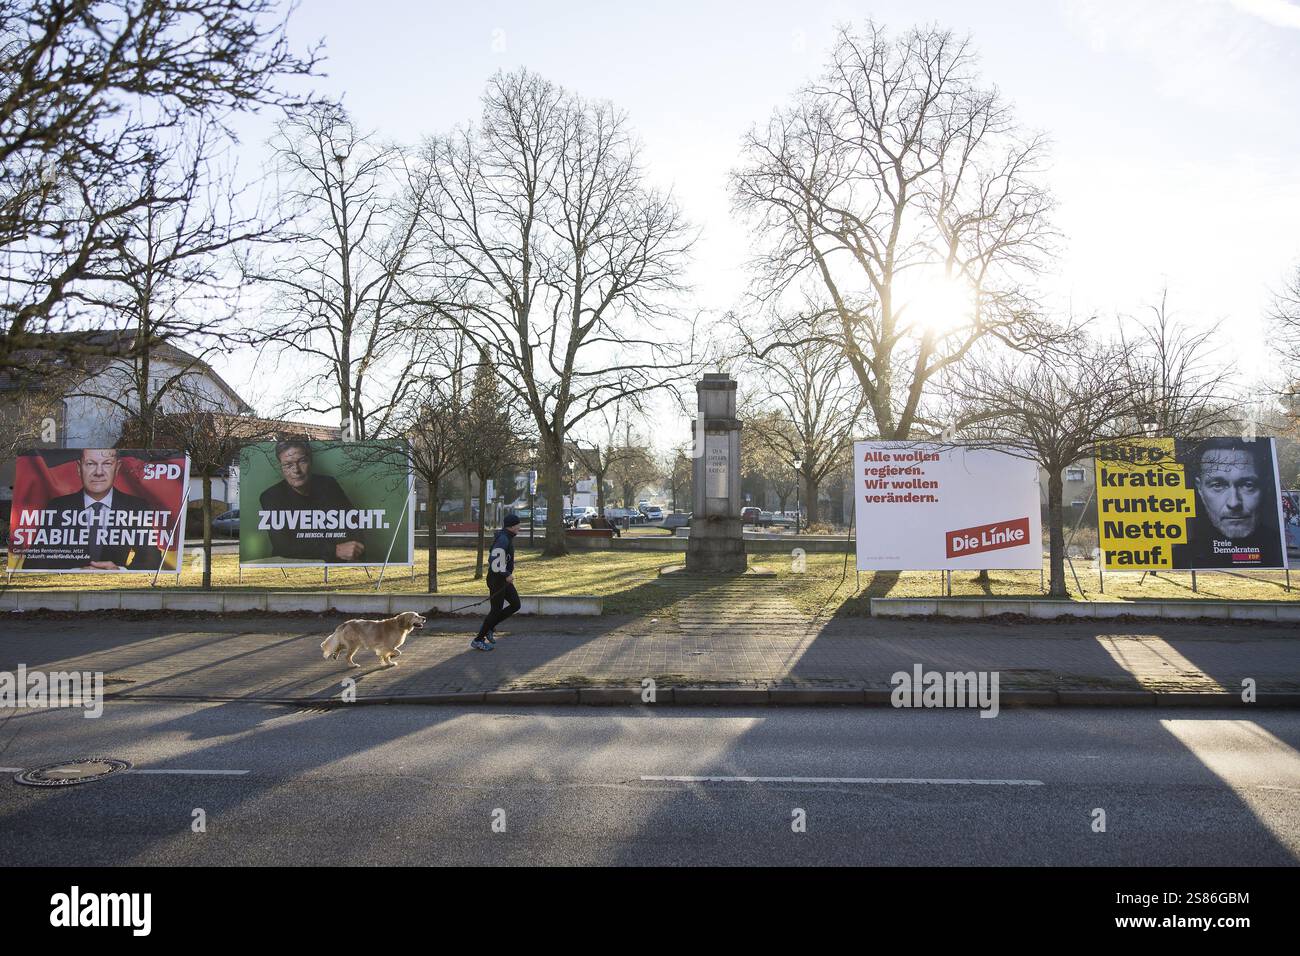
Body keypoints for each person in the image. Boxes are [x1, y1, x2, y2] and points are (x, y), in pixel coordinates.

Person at [21, 449, 165, 571]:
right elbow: (33, 562)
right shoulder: (58, 507)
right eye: (90, 464)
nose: (99, 472)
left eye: (107, 463)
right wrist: (74, 572)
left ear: (117, 467)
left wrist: (119, 571)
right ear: (79, 467)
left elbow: (152, 560)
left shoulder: (135, 507)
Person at [258, 441, 367, 563]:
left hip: (335, 567)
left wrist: (355, 547)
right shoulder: (271, 496)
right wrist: (335, 550)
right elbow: (284, 545)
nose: (296, 470)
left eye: (302, 461)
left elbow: (354, 523)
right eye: (288, 465)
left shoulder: (328, 484)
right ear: (281, 468)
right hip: (292, 567)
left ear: (310, 461)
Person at [1183, 437, 1283, 568]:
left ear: (1266, 486)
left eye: (1248, 485)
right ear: (1200, 488)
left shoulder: (1277, 551)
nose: (1234, 503)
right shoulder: (1182, 557)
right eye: (1217, 485)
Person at [471, 513, 523, 652]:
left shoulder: (507, 537)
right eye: (518, 524)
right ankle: (478, 640)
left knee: (515, 604)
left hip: (502, 579)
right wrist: (506, 574)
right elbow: (494, 561)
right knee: (496, 610)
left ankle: (490, 628)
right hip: (497, 579)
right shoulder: (503, 539)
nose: (520, 527)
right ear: (512, 526)